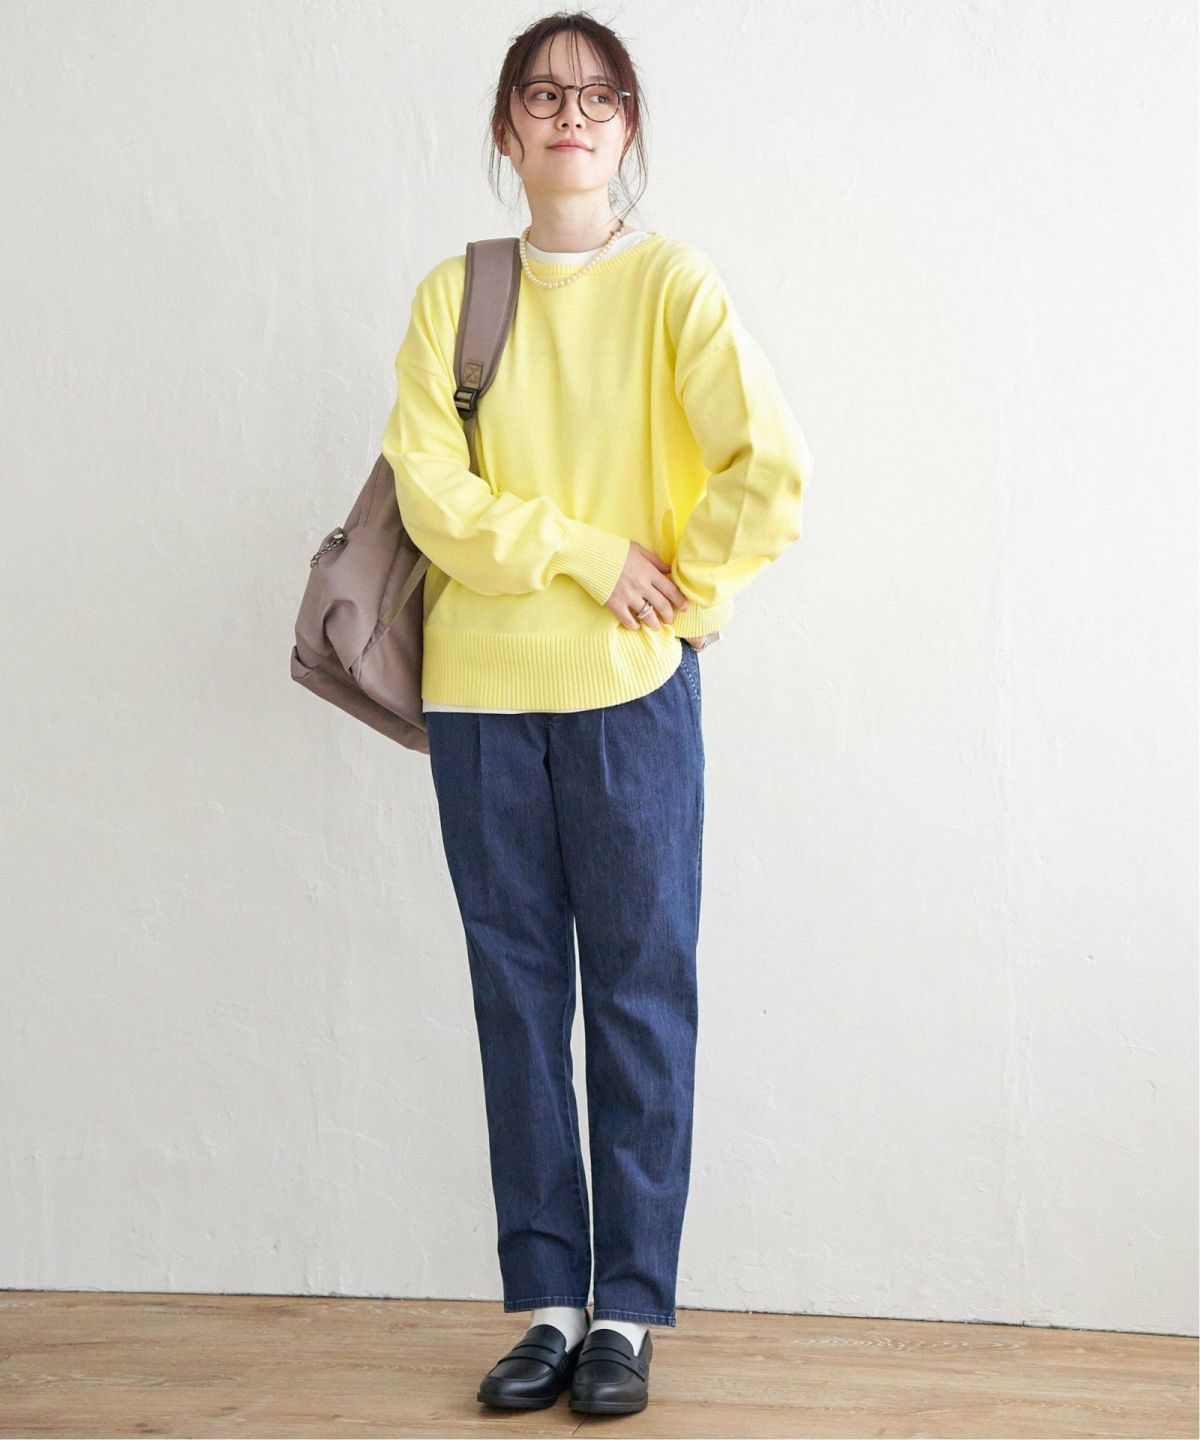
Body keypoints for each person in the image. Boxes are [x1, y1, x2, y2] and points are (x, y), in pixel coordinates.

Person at [380, 10, 815, 1416]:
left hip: (630, 700)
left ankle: (627, 1312)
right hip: (480, 700)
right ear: (505, 131)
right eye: (542, 93)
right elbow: (431, 497)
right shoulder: (456, 295)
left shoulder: (671, 285)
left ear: (628, 129)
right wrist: (588, 552)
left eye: (598, 94)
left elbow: (771, 466)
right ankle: (550, 1306)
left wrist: (687, 599)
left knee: (638, 998)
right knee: (516, 1002)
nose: (570, 113)